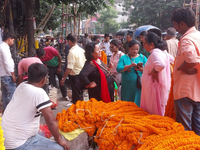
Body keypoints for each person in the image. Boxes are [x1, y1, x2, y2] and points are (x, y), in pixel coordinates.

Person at [2, 63, 70, 150]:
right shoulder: (39, 92)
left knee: (41, 133)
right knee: (60, 148)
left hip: (6, 137)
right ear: (44, 80)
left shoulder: (21, 86)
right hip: (18, 143)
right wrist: (59, 139)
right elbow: (51, 121)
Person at [171, 8, 200, 135]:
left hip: (185, 91)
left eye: (176, 25)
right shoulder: (198, 36)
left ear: (182, 23)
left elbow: (192, 59)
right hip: (197, 90)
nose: (176, 28)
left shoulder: (186, 39)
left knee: (185, 130)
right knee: (197, 128)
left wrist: (181, 67)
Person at [140, 32, 174, 116]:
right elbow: (171, 59)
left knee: (153, 109)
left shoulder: (155, 53)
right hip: (154, 85)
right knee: (156, 107)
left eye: (144, 43)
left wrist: (154, 71)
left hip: (153, 86)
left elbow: (161, 64)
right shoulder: (162, 52)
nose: (143, 46)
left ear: (151, 44)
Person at [117, 40, 147, 107]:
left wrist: (141, 69)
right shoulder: (124, 58)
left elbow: (148, 69)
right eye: (133, 49)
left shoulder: (142, 57)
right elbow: (118, 69)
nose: (135, 51)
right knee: (127, 101)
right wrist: (128, 67)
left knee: (138, 100)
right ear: (129, 48)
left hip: (139, 85)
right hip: (127, 86)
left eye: (137, 49)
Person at [60, 34, 86, 104]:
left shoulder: (72, 52)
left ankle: (78, 110)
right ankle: (80, 108)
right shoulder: (81, 50)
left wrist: (64, 78)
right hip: (82, 74)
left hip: (75, 76)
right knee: (80, 94)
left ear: (69, 41)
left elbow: (69, 68)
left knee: (77, 96)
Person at [0, 32, 16, 111]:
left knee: (5, 94)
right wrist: (12, 74)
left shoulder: (2, 47)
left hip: (3, 74)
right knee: (12, 93)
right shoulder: (4, 48)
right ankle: (11, 112)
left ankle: (6, 111)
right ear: (9, 39)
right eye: (12, 40)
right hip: (7, 74)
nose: (13, 42)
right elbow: (7, 62)